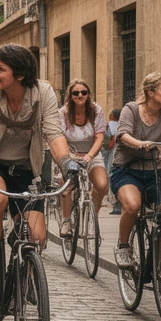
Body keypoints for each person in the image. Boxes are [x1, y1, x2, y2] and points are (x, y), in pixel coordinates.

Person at [0, 44, 75, 302]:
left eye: (0, 69)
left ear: (20, 75)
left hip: (27, 169)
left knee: (36, 237)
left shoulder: (43, 93)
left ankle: (24, 274)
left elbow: (53, 132)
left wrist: (66, 163)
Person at [111, 73, 161, 271]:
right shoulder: (131, 109)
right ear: (150, 92)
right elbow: (122, 134)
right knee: (133, 206)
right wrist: (140, 144)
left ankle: (154, 264)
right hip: (127, 170)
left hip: (154, 172)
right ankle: (123, 246)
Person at [57, 79, 109, 236]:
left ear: (88, 95)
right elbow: (59, 138)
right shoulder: (63, 113)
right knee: (65, 183)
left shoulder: (96, 110)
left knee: (102, 185)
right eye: (76, 93)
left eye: (84, 92)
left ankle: (92, 216)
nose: (80, 95)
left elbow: (100, 137)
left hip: (91, 154)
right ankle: (66, 221)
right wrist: (69, 156)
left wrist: (89, 155)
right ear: (70, 95)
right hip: (69, 154)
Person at [103, 109, 122, 214]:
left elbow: (106, 143)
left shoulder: (111, 125)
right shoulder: (123, 125)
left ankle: (115, 204)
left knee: (110, 176)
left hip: (111, 154)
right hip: (121, 157)